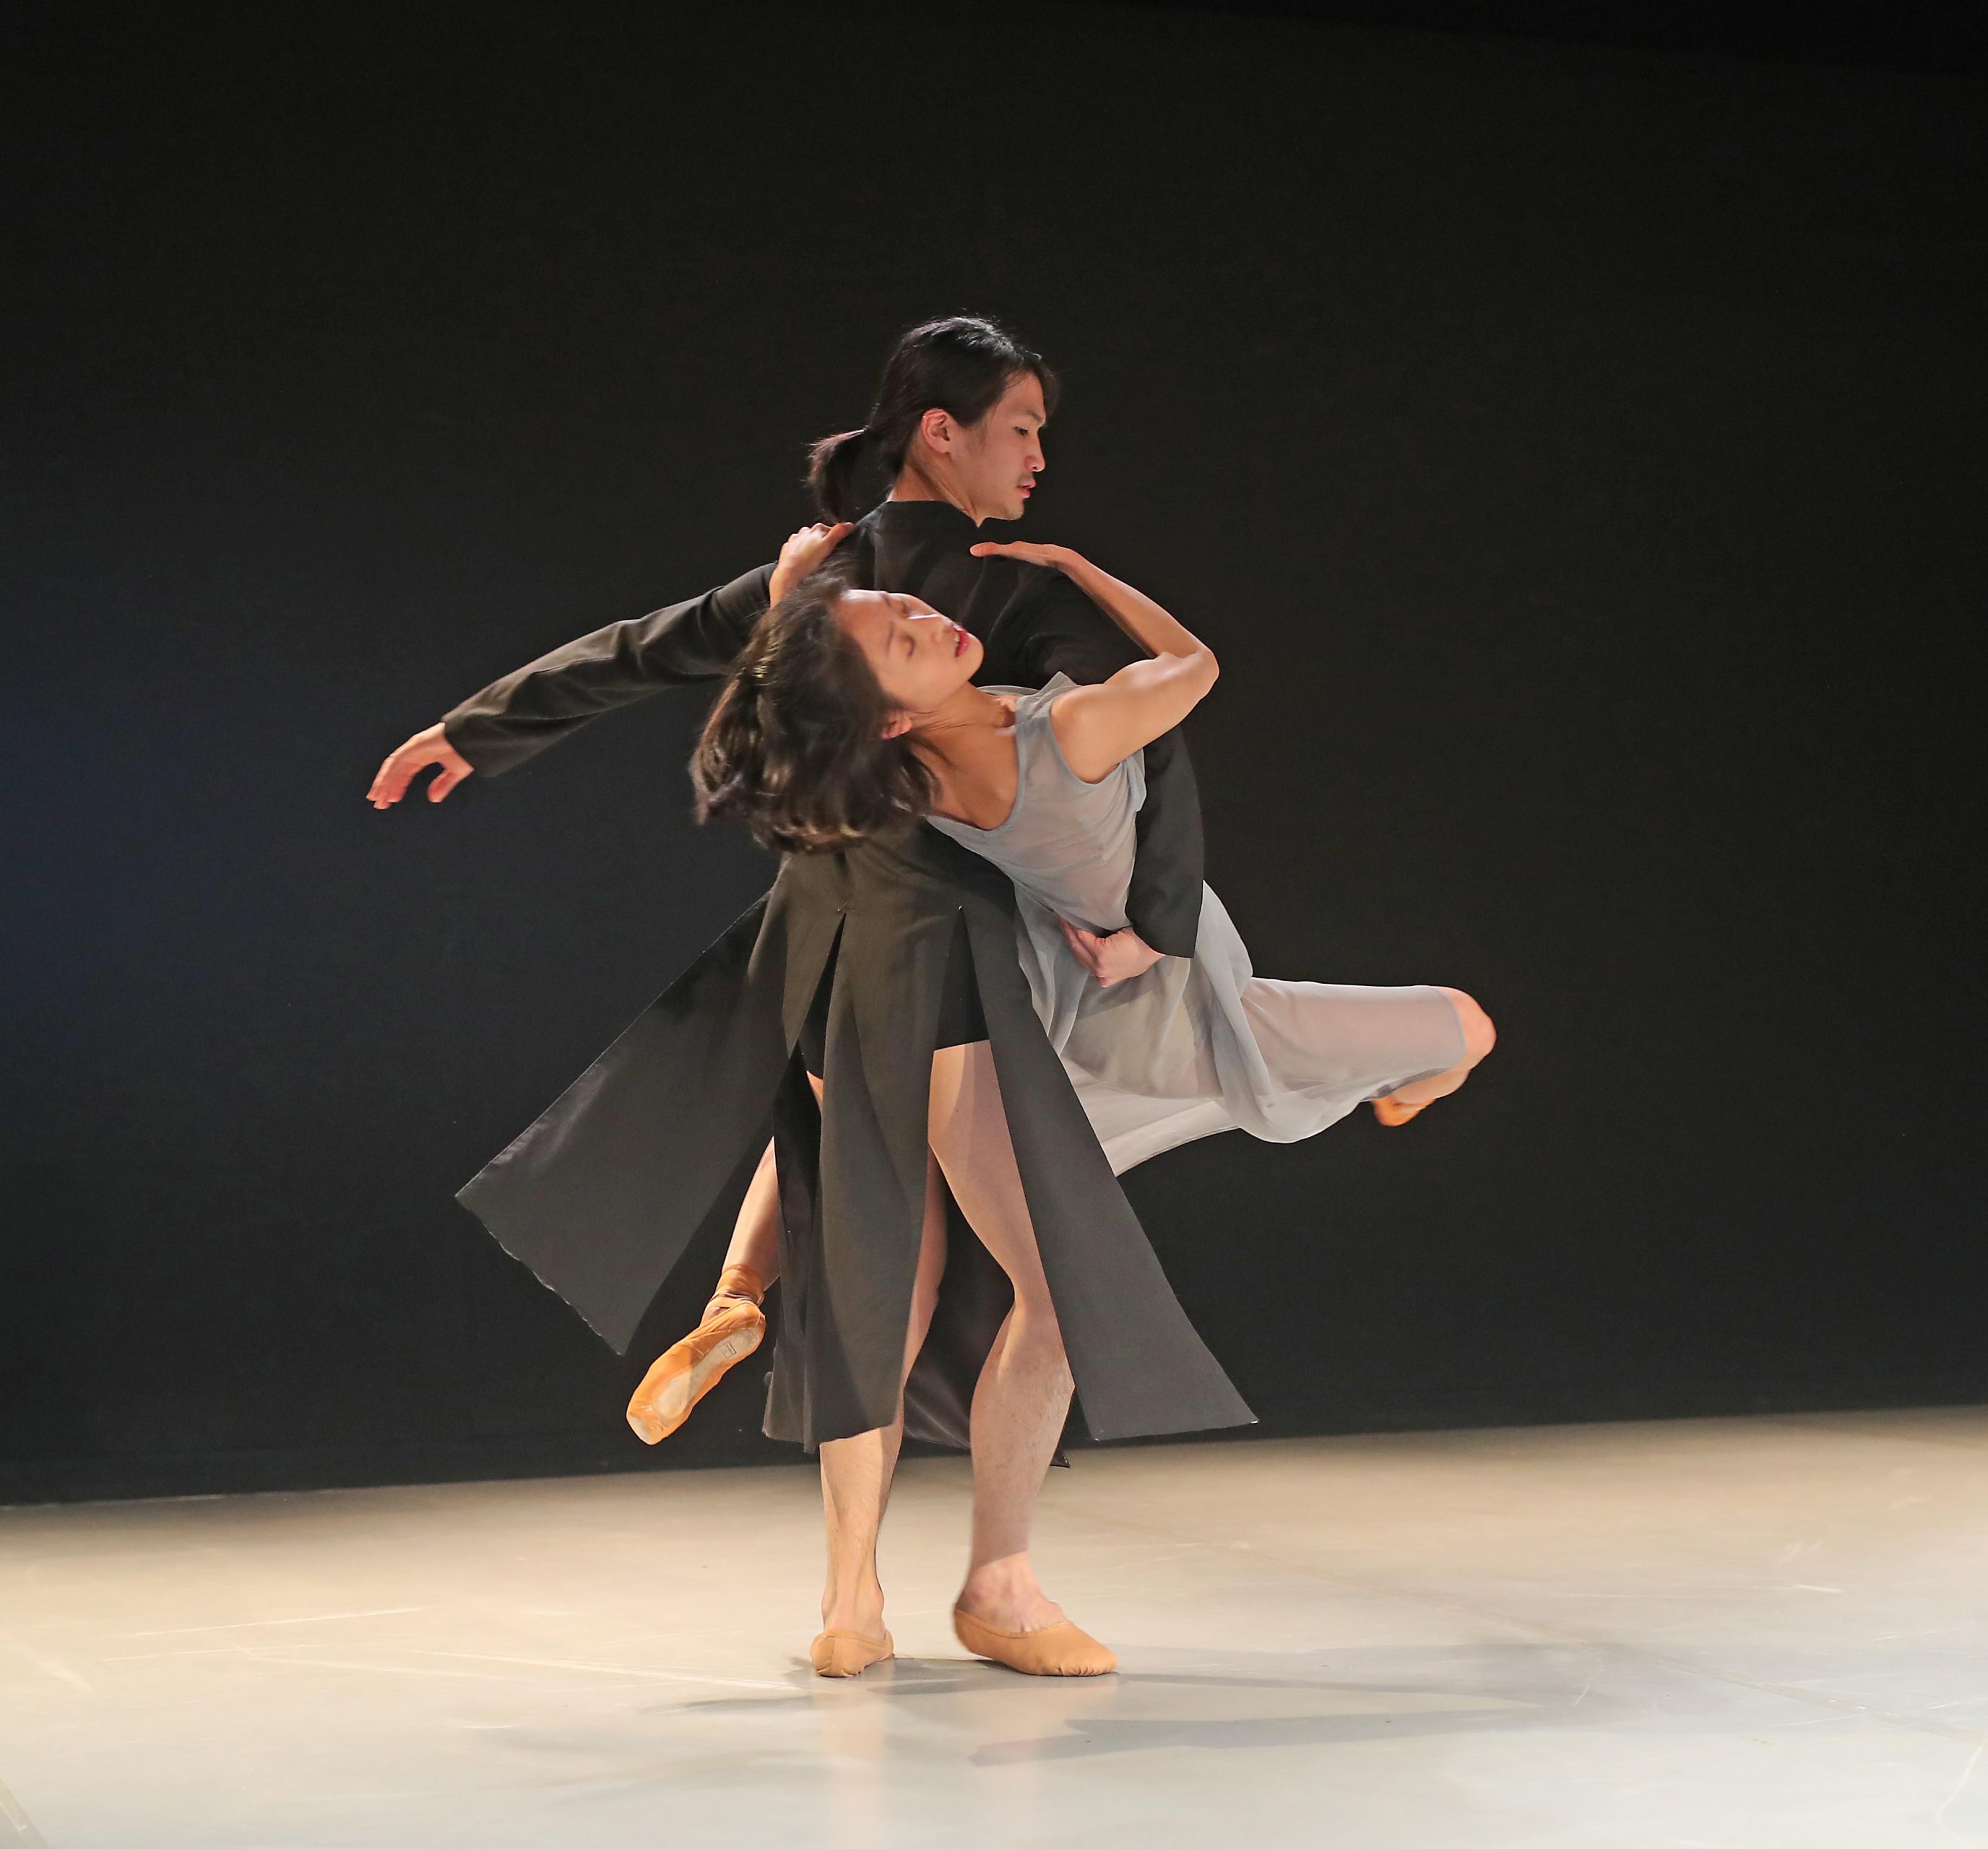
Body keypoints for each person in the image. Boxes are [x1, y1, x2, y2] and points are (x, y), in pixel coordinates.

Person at [368, 318, 1250, 1679]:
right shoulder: (992, 588)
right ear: (940, 431)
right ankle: (998, 1583)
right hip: (942, 947)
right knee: (1035, 1274)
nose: (1038, 456)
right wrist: (1154, 924)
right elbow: (1156, 744)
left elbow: (646, 648)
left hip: (818, 938)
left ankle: (846, 1591)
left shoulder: (819, 575)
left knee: (873, 1266)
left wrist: (477, 728)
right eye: (1020, 427)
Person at [631, 534, 1495, 1449]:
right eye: (905, 639)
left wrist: (789, 595)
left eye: (909, 609)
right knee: (1468, 1028)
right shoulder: (1068, 732)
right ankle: (1409, 1089)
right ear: (887, 714)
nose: (930, 619)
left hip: (1051, 1000)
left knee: (851, 1104)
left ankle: (737, 1291)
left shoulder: (904, 772)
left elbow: (803, 712)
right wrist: (1080, 569)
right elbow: (1195, 665)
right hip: (1164, 1007)